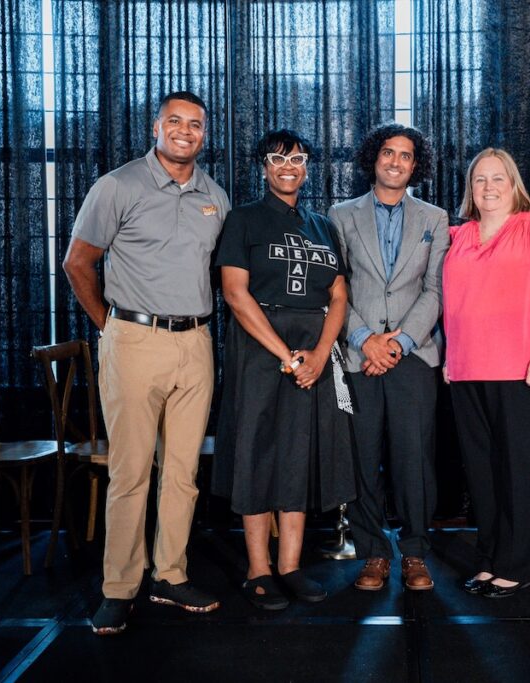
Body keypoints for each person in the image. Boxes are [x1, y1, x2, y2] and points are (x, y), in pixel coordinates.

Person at [63, 91, 229, 635]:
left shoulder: (215, 196)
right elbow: (77, 262)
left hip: (196, 342)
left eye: (195, 124)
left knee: (182, 472)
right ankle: (119, 587)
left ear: (205, 134)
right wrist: (110, 327)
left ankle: (170, 575)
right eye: (174, 121)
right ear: (155, 127)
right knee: (131, 471)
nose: (185, 131)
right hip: (134, 338)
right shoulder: (118, 185)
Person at [211, 129, 355, 610]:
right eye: (278, 159)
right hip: (260, 351)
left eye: (297, 158)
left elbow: (339, 296)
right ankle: (259, 569)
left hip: (313, 353)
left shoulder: (322, 226)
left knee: (298, 454)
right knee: (257, 453)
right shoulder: (243, 219)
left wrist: (319, 353)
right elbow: (235, 294)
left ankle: (290, 566)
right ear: (264, 167)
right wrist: (285, 355)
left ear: (308, 166)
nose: (288, 166)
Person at [443, 148, 530, 598]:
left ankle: (516, 566)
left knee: (519, 471)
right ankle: (489, 559)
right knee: (482, 473)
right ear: (470, 188)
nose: (489, 187)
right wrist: (450, 358)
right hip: (467, 371)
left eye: (498, 178)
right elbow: (454, 304)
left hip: (524, 371)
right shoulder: (459, 235)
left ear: (514, 184)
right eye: (480, 179)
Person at [329, 124, 449, 592]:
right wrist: (365, 339)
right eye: (388, 152)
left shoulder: (435, 218)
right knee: (361, 457)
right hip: (357, 357)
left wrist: (398, 344)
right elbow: (335, 287)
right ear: (373, 158)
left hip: (412, 357)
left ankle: (415, 551)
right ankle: (374, 553)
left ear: (416, 165)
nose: (395, 161)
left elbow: (435, 289)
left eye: (405, 155)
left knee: (414, 458)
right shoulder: (341, 215)